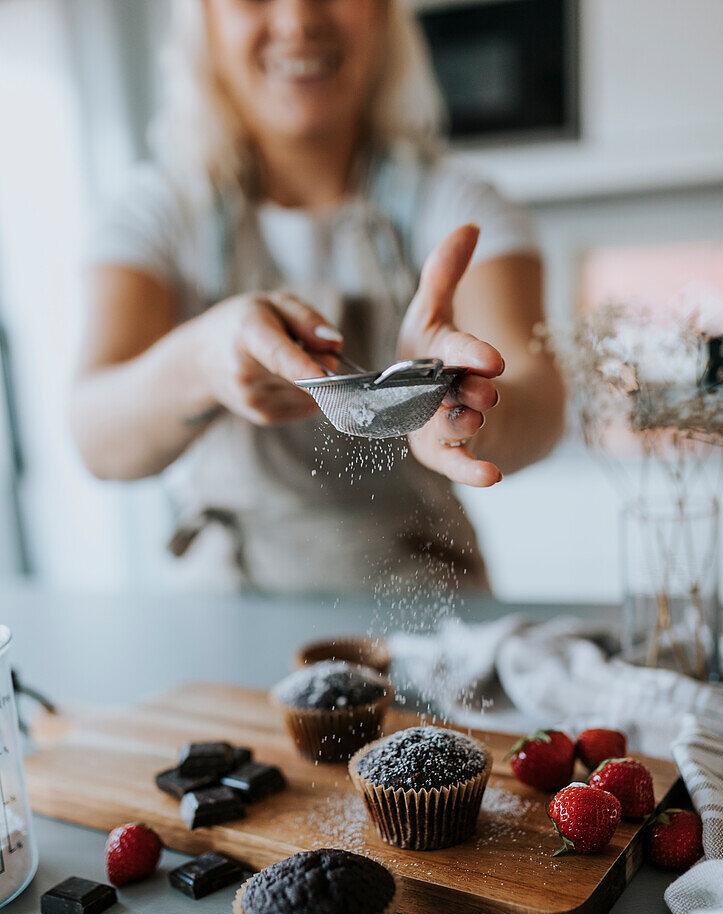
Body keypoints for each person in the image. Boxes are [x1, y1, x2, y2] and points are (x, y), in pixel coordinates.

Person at [70, 0, 565, 593]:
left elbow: (542, 403)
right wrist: (202, 360)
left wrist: (462, 407)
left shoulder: (461, 204)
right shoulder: (158, 213)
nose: (298, 19)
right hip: (230, 596)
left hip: (426, 591)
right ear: (203, 21)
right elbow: (96, 439)